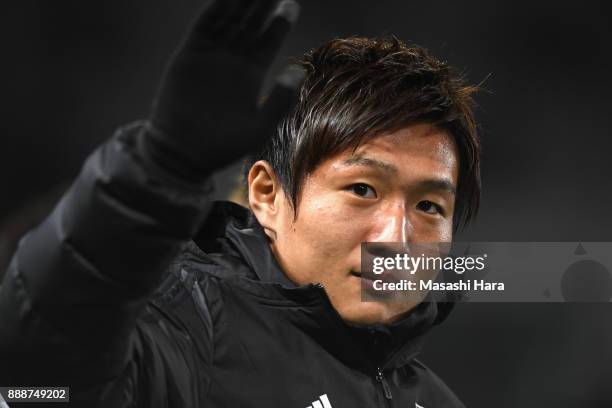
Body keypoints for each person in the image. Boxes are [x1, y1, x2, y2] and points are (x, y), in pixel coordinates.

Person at [0, 0, 481, 407]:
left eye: (429, 207)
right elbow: (39, 377)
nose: (396, 238)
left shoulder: (436, 398)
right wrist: (158, 168)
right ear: (267, 196)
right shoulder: (181, 332)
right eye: (362, 190)